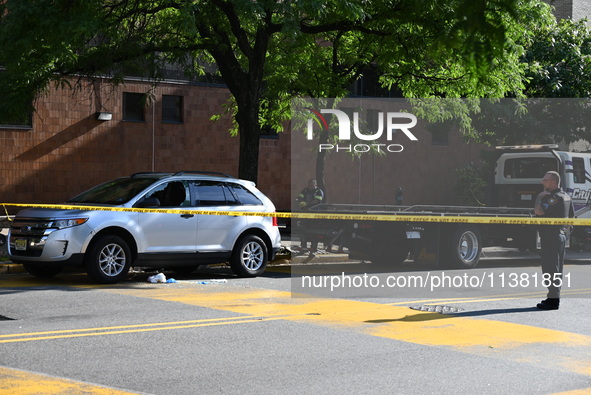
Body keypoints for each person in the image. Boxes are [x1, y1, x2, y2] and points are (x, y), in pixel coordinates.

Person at [533, 171, 573, 310]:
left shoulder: (554, 198)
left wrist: (539, 197)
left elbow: (538, 211)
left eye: (545, 180)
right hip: (557, 235)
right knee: (554, 268)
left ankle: (553, 300)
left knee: (550, 268)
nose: (542, 182)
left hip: (552, 236)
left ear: (553, 182)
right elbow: (571, 217)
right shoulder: (566, 196)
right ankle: (552, 297)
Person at [296, 179, 324, 252]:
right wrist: (301, 201)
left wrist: (306, 204)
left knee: (314, 230)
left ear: (315, 185)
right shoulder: (305, 190)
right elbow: (300, 197)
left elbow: (317, 201)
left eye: (312, 185)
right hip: (305, 213)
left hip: (315, 214)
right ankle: (303, 245)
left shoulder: (319, 191)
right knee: (302, 229)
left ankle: (314, 247)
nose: (310, 187)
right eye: (309, 185)